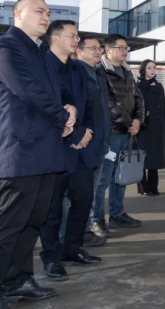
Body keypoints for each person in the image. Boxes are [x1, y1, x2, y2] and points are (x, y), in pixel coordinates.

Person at [0, 0, 76, 309]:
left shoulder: (39, 51)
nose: (46, 16)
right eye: (39, 11)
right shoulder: (6, 47)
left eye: (49, 12)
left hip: (45, 150)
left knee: (32, 222)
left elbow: (55, 92)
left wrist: (69, 108)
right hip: (22, 150)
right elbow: (30, 91)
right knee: (9, 226)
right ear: (18, 14)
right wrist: (63, 116)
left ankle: (18, 280)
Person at [39, 21, 101, 282]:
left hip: (81, 146)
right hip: (54, 148)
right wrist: (76, 134)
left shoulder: (77, 69)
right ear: (55, 38)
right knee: (51, 209)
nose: (77, 40)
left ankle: (72, 248)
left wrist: (88, 132)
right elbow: (47, 106)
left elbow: (87, 104)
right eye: (72, 36)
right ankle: (51, 257)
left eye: (77, 36)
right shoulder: (42, 66)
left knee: (83, 200)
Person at [90, 34, 145, 238]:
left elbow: (138, 97)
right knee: (103, 180)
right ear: (108, 49)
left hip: (126, 132)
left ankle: (117, 214)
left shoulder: (127, 71)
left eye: (126, 48)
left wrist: (138, 119)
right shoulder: (100, 71)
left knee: (121, 177)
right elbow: (108, 104)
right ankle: (96, 219)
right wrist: (129, 122)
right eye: (121, 48)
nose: (125, 51)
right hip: (111, 133)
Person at [71, 35, 111, 246]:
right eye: (92, 48)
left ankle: (84, 229)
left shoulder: (97, 74)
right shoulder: (75, 73)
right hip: (84, 143)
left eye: (99, 48)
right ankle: (77, 234)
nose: (98, 51)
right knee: (80, 193)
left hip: (100, 143)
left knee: (92, 191)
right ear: (78, 50)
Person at [135, 60, 165, 196]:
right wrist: (141, 117)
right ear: (143, 70)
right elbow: (134, 106)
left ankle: (154, 187)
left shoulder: (159, 86)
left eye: (154, 68)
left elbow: (164, 106)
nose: (152, 70)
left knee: (155, 158)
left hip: (157, 127)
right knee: (142, 158)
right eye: (149, 68)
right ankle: (143, 188)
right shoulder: (138, 86)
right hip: (144, 127)